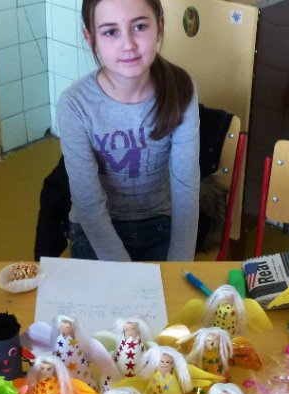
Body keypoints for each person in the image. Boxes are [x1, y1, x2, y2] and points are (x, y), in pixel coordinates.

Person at [57, 0, 200, 262]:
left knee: (170, 288)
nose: (128, 45)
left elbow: (186, 186)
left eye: (140, 27)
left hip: (158, 222)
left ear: (160, 27)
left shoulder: (182, 89)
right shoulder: (74, 104)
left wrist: (180, 264)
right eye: (110, 31)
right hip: (95, 227)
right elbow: (88, 203)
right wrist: (124, 275)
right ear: (91, 39)